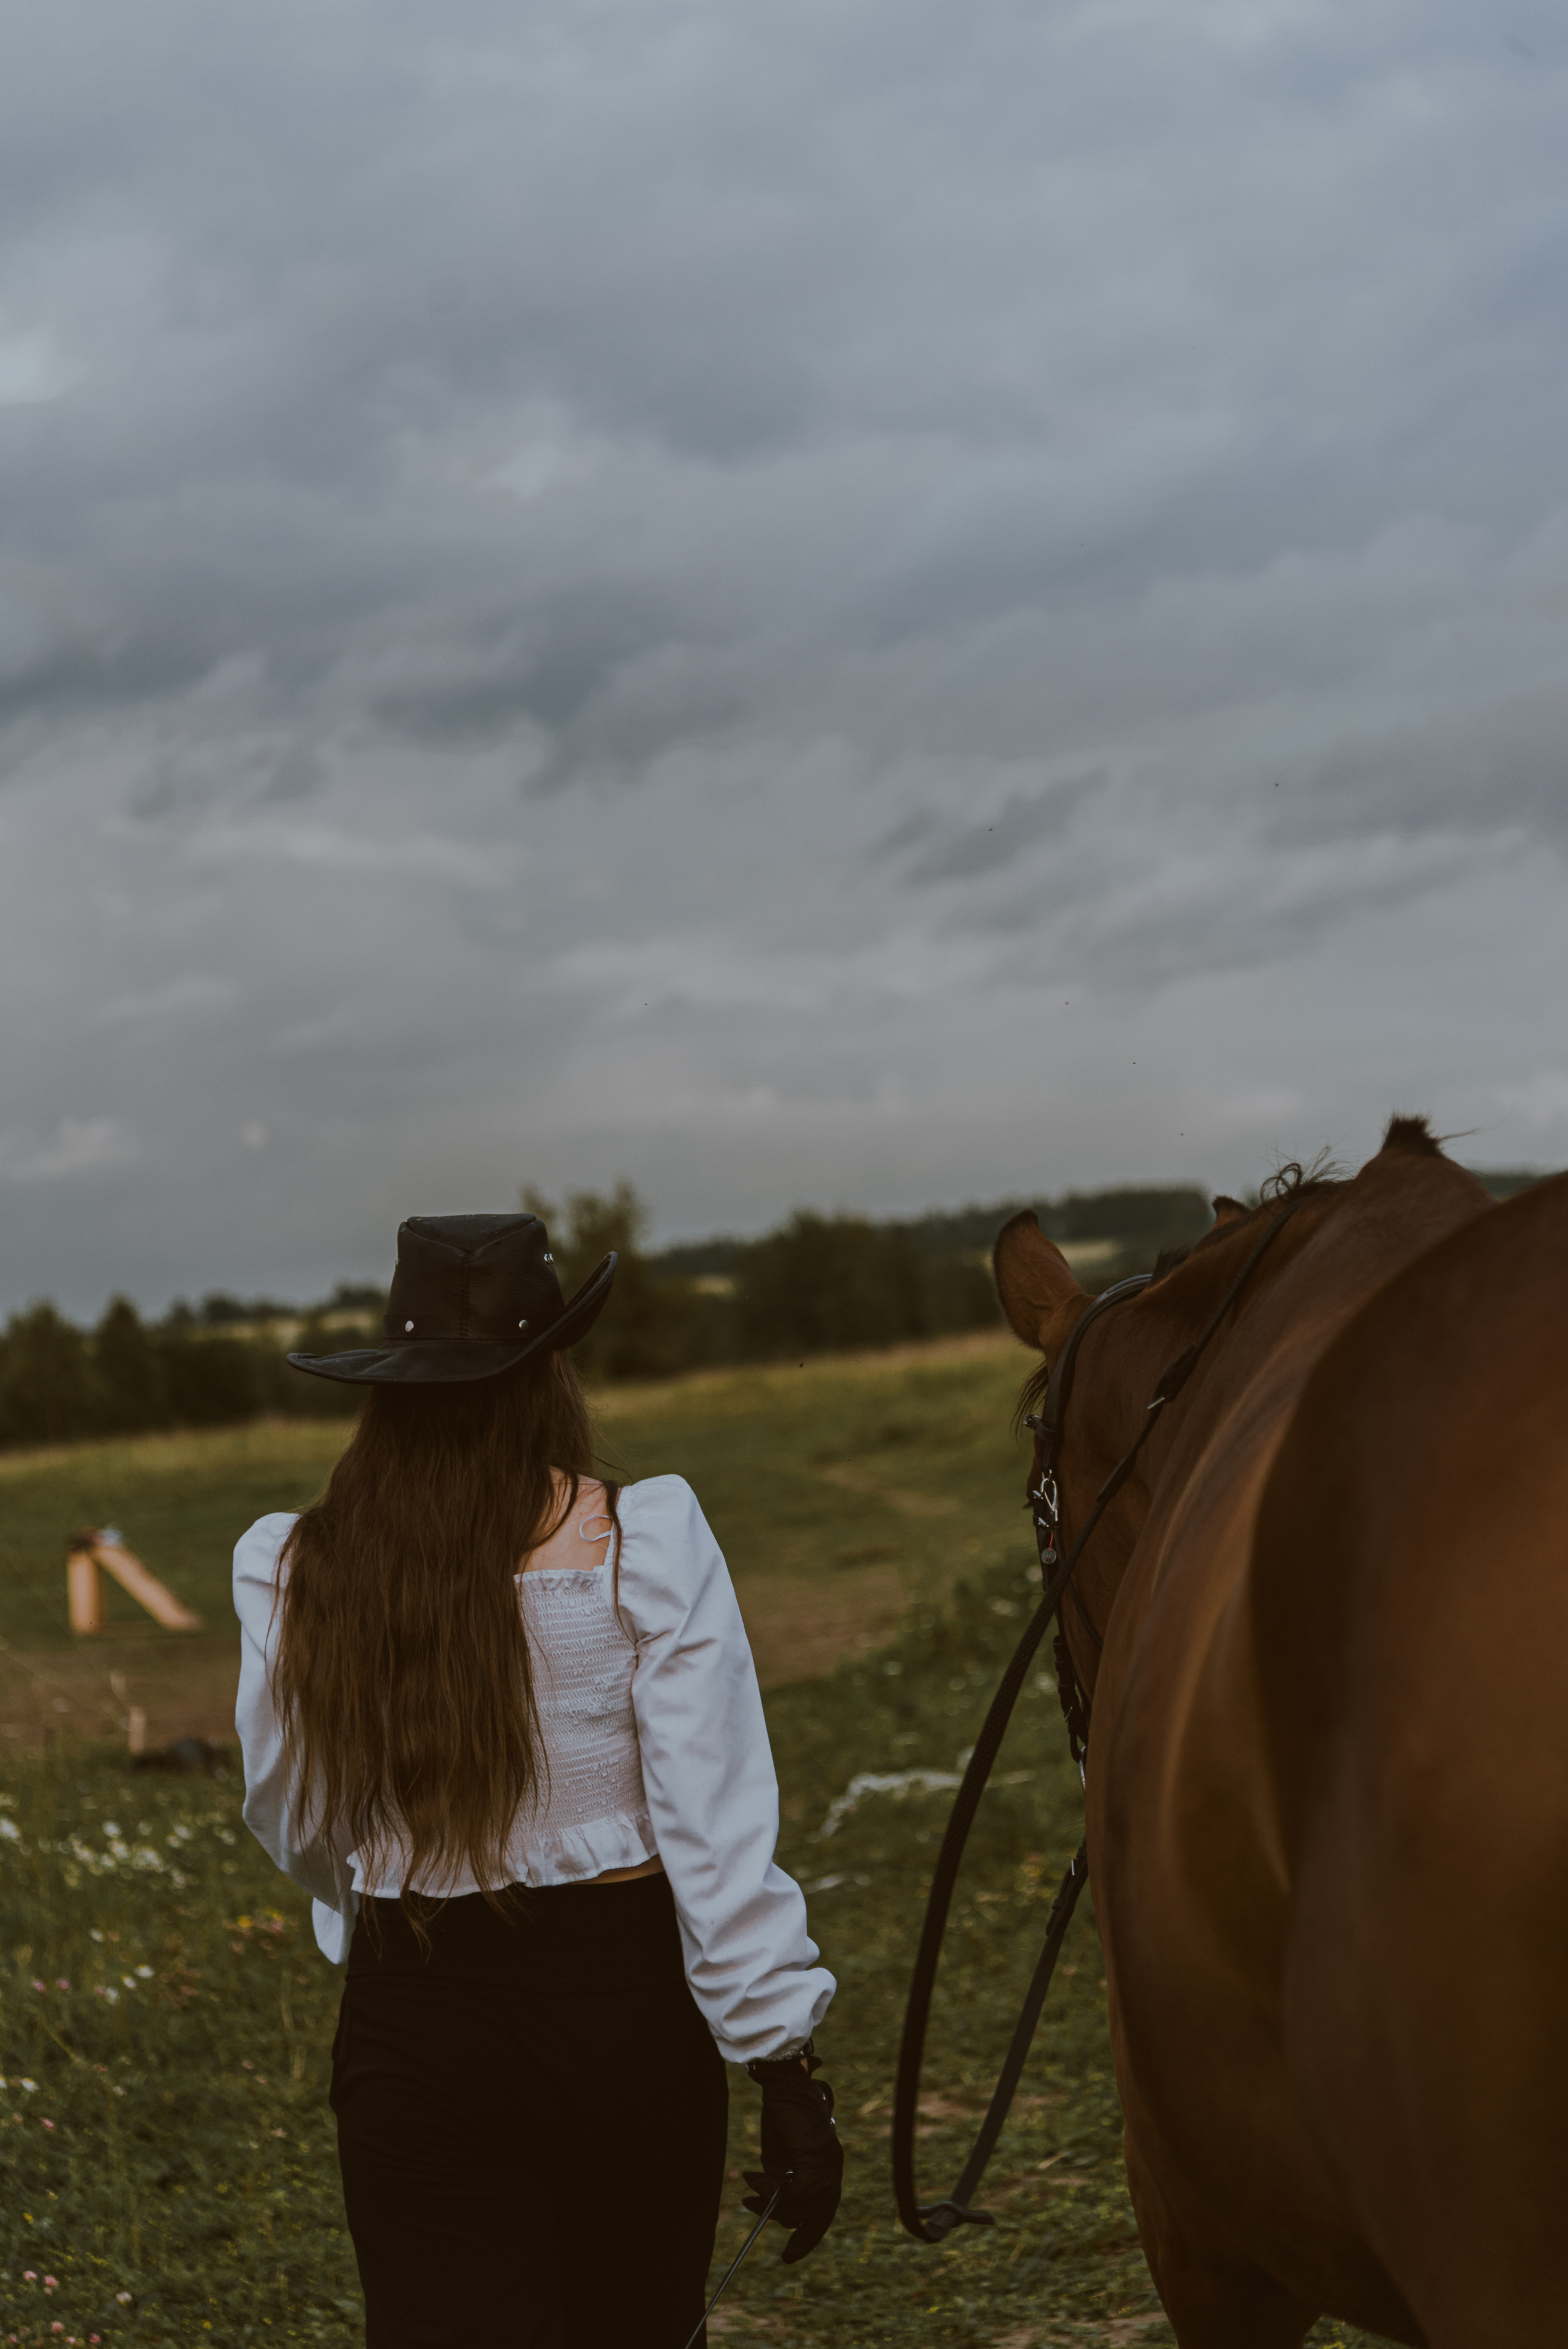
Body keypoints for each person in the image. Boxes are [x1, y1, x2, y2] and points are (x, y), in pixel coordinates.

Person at [233, 1211, 842, 2348]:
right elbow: (712, 1828)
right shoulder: (641, 1541)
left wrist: (366, 1902)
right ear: (550, 1369)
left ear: (394, 1379)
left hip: (411, 2016)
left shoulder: (297, 1564)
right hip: (627, 2023)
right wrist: (782, 2061)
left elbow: (293, 1813)